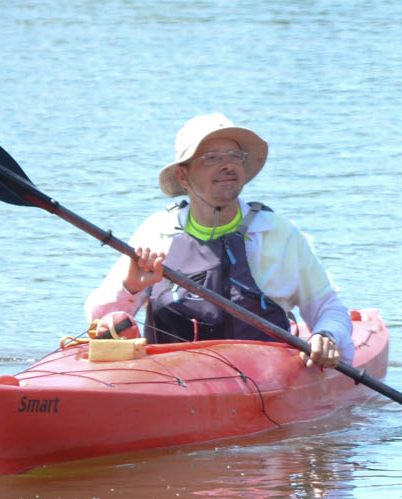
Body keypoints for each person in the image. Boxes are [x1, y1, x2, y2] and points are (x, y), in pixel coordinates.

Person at [85, 113, 352, 370]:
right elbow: (99, 321)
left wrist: (327, 336)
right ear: (182, 176)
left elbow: (329, 308)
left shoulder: (279, 233)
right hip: (169, 379)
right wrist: (130, 289)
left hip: (264, 380)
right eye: (211, 158)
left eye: (234, 156)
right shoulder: (156, 233)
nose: (227, 165)